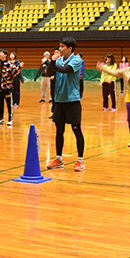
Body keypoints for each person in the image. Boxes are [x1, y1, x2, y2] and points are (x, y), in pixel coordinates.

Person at [47, 38, 86, 170]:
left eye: (62, 46)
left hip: (72, 101)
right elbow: (49, 73)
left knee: (76, 130)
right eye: (59, 46)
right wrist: (51, 64)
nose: (60, 49)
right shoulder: (58, 60)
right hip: (59, 100)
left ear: (70, 48)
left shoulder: (76, 60)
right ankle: (59, 159)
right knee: (59, 131)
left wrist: (52, 63)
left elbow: (65, 70)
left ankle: (80, 160)